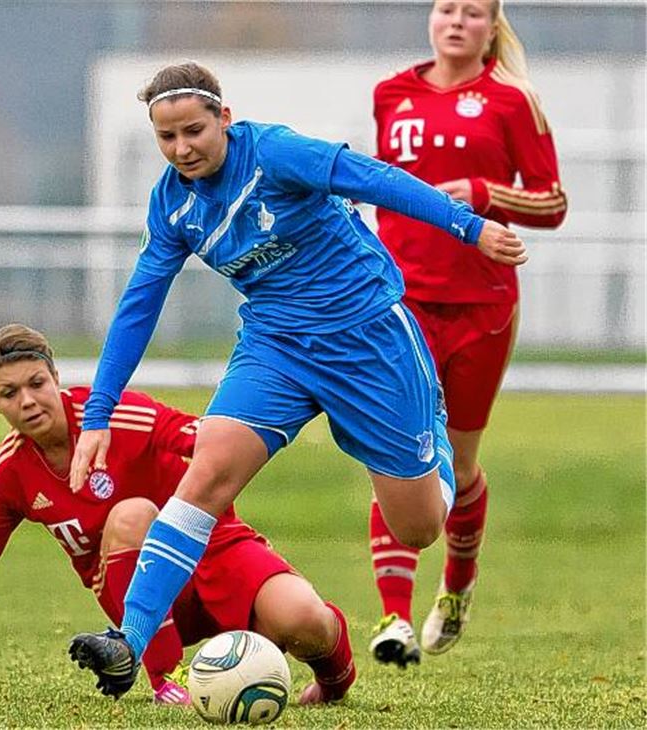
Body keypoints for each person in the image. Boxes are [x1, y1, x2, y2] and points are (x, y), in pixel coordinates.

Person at [67, 60, 528, 700]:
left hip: (368, 339)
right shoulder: (173, 204)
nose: (182, 149)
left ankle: (436, 447)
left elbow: (374, 178)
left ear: (224, 119)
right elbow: (139, 303)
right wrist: (97, 415)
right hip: (275, 346)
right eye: (166, 138)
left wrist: (470, 228)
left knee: (416, 529)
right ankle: (129, 641)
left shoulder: (276, 154)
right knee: (208, 471)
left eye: (194, 131)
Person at [0, 323, 356, 706]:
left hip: (214, 545)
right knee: (131, 515)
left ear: (55, 378)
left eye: (36, 383)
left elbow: (209, 442)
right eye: (9, 392)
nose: (27, 401)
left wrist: (301, 404)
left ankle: (333, 681)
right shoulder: (10, 476)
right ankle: (168, 679)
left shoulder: (118, 416)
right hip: (142, 602)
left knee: (304, 618)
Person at [366, 0, 567, 666]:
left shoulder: (513, 102)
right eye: (446, 8)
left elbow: (552, 202)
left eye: (473, 12)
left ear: (492, 26)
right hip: (403, 303)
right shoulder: (391, 93)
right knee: (399, 452)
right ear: (430, 18)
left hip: (482, 306)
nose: (457, 20)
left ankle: (456, 585)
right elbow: (379, 185)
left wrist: (482, 193)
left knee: (457, 463)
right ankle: (394, 618)